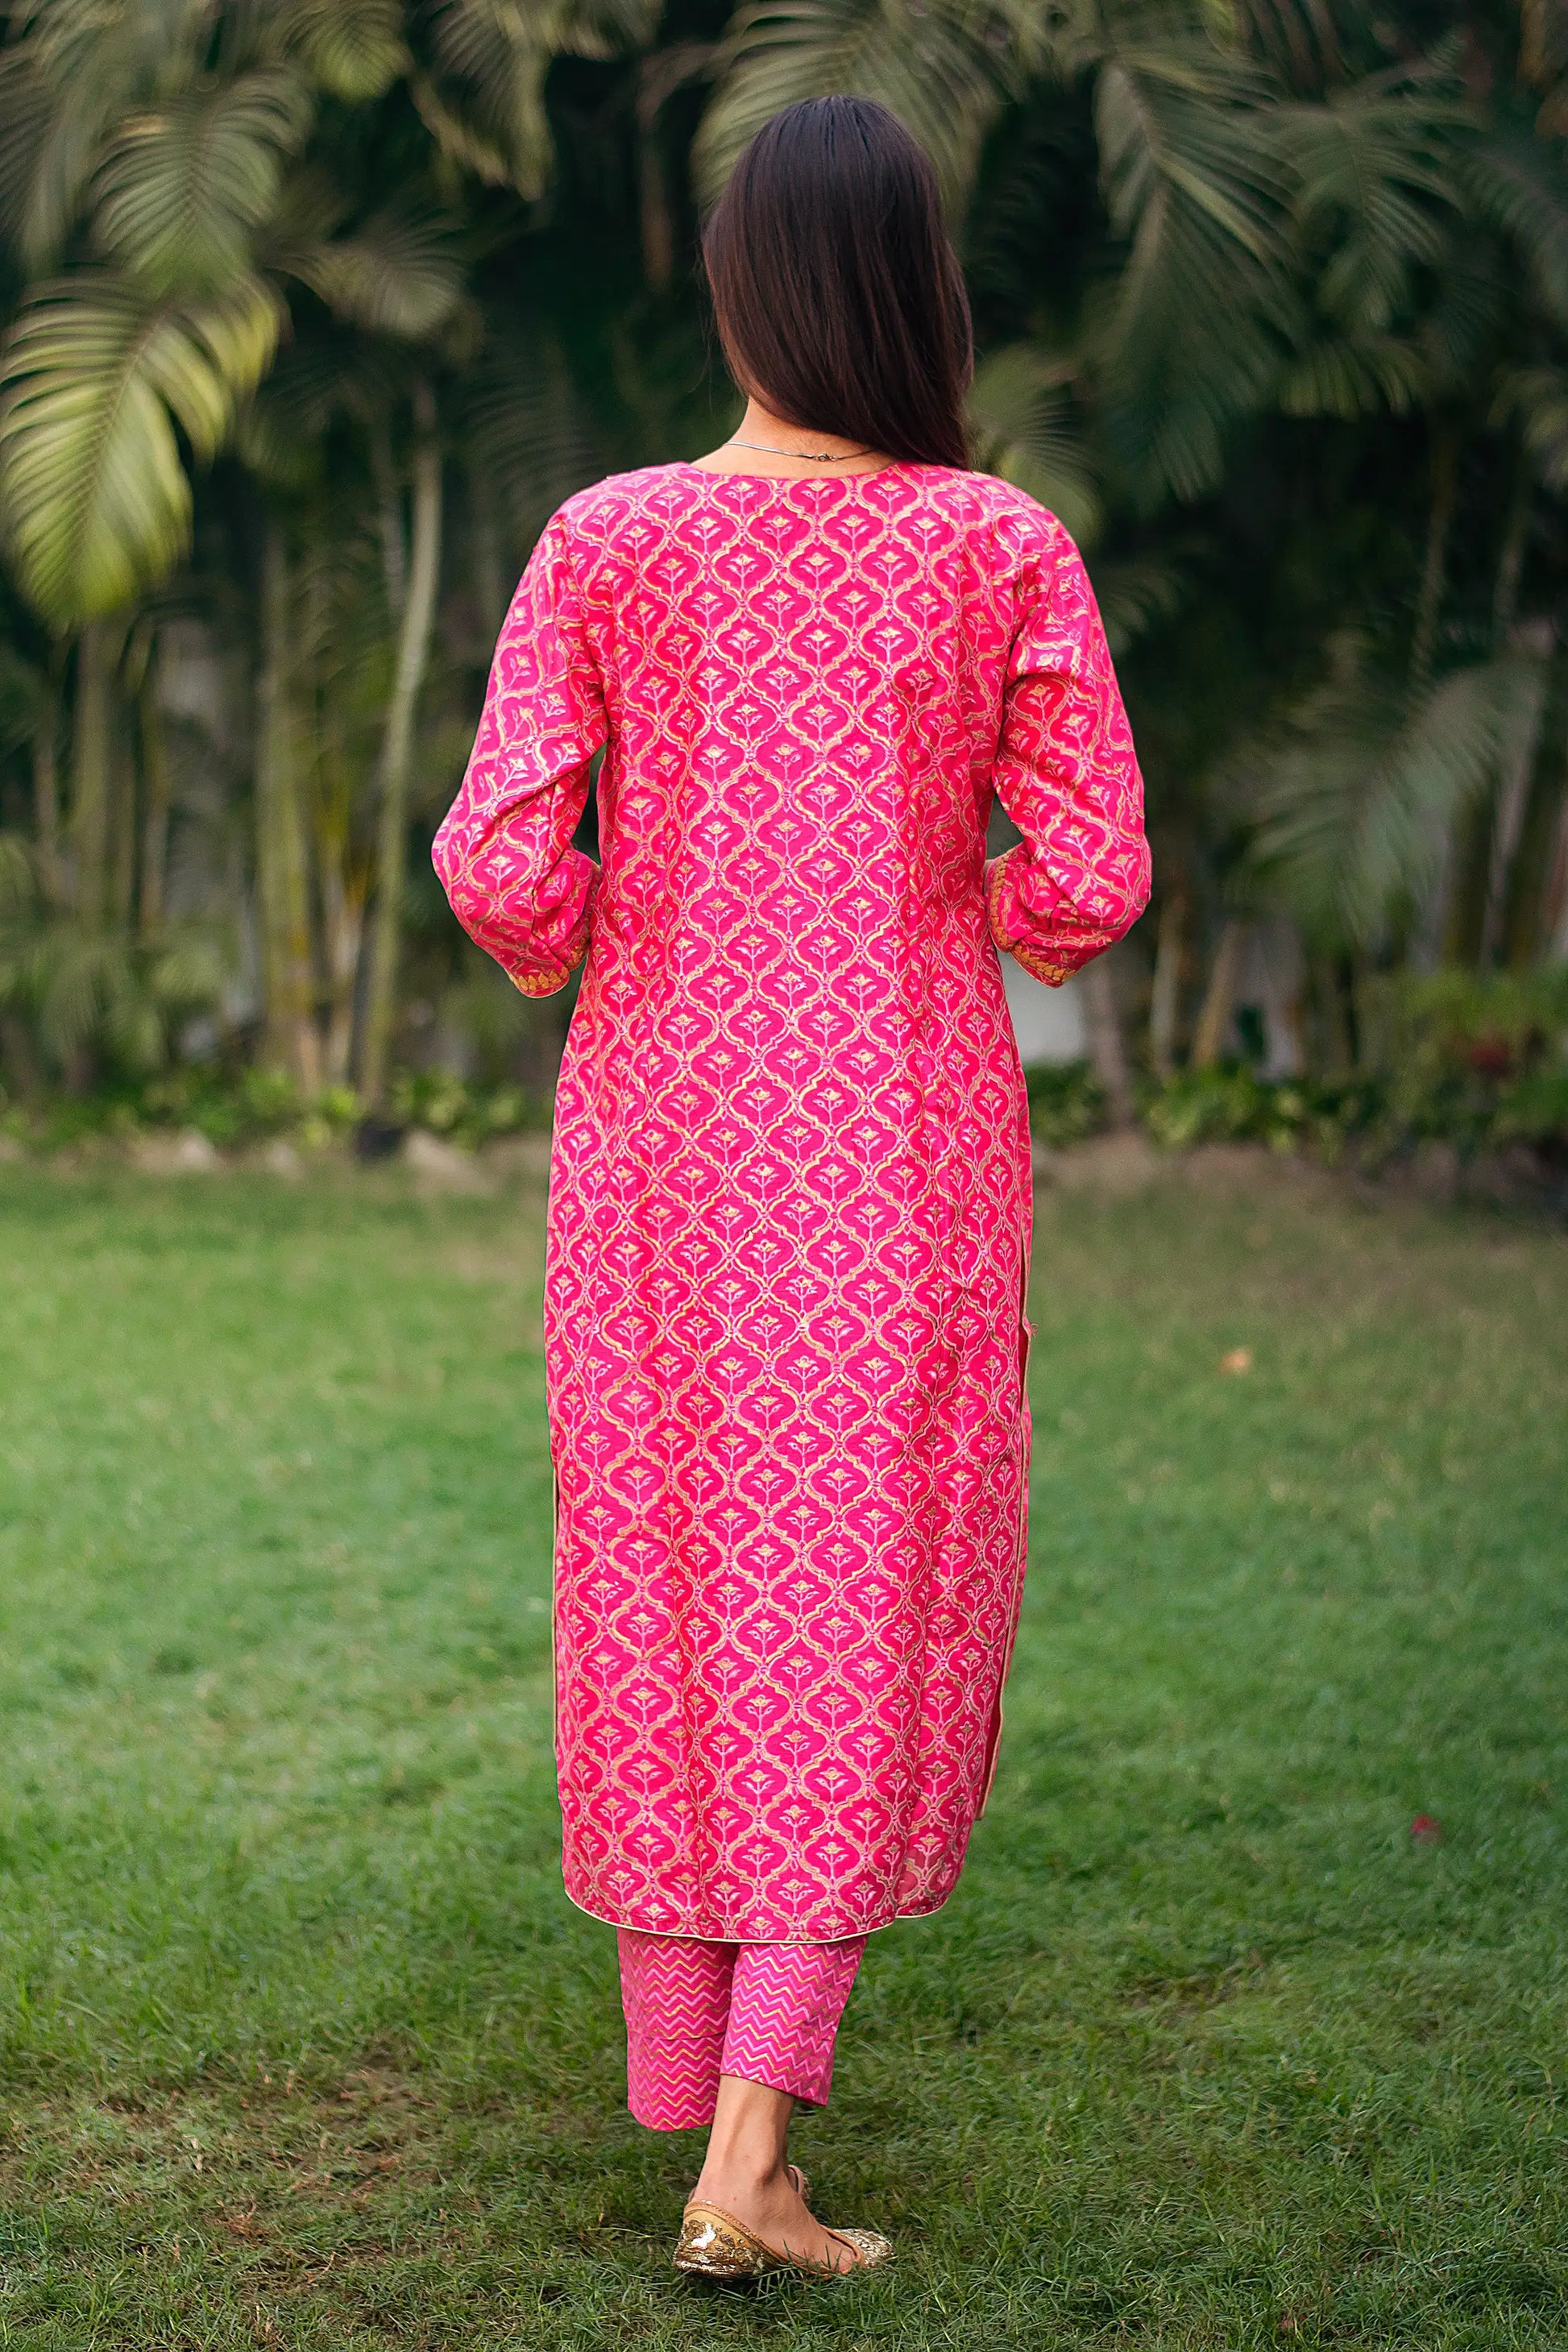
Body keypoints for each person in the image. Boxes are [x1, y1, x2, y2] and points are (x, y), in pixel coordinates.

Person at [433, 93, 1150, 2281]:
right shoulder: (994, 547)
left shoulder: (604, 536)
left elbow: (493, 862)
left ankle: (705, 2107)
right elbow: (1094, 874)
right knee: (862, 1586)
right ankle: (743, 2153)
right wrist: (960, 910)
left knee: (669, 1577)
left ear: (739, 292)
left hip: (656, 1136)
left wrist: (611, 935)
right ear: (918, 294)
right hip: (901, 1144)